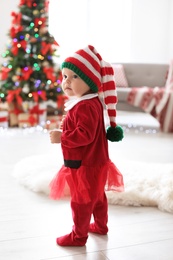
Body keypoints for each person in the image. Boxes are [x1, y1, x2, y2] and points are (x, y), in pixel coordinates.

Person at [49, 45, 124, 247]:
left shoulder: (84, 106)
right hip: (96, 160)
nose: (67, 82)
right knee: (97, 197)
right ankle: (100, 225)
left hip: (84, 163)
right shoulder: (90, 102)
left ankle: (78, 236)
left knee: (81, 202)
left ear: (91, 81)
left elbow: (85, 135)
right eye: (65, 76)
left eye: (74, 77)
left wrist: (61, 137)